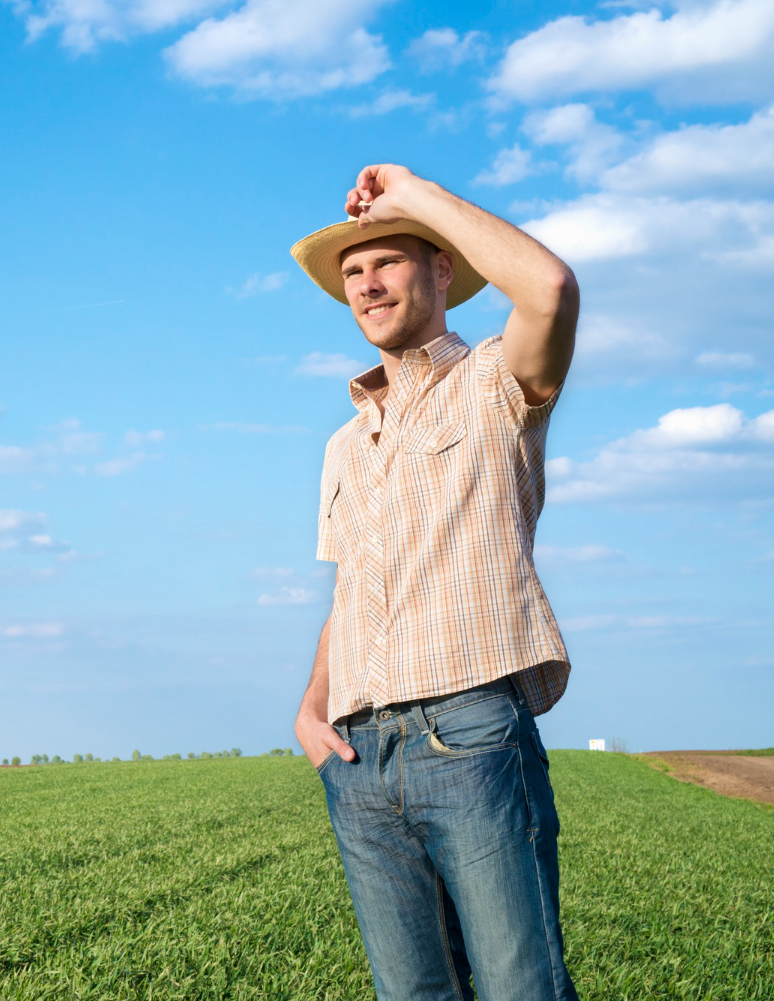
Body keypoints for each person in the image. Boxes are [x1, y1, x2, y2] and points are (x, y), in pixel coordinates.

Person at [289, 164, 580, 1001]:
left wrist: (411, 192)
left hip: (471, 733)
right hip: (359, 755)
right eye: (352, 272)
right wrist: (313, 706)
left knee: (522, 987)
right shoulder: (345, 443)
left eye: (388, 261)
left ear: (443, 269)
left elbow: (551, 288)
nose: (367, 284)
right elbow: (351, 589)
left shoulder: (492, 384)